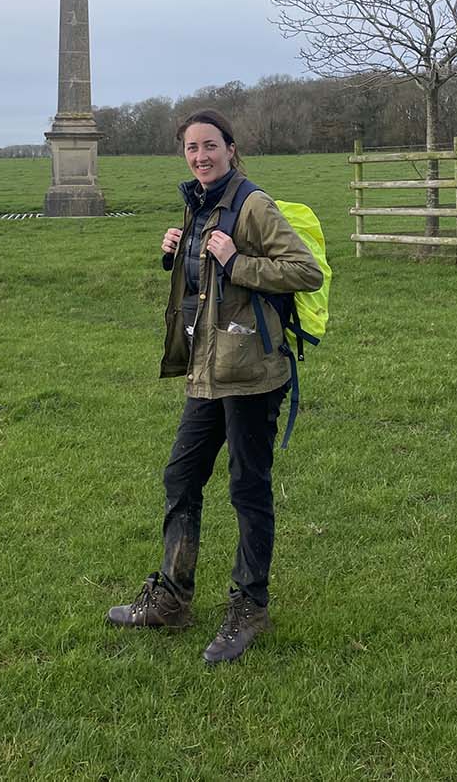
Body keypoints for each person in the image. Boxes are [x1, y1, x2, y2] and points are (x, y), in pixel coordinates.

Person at [106, 108, 323, 663]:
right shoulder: (201, 205)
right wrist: (173, 255)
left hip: (252, 375)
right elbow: (202, 285)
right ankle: (172, 599)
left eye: (209, 146)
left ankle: (249, 607)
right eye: (191, 148)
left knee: (247, 489)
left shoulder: (252, 204)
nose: (200, 156)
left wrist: (240, 261)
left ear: (231, 149)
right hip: (207, 371)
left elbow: (304, 270)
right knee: (181, 476)